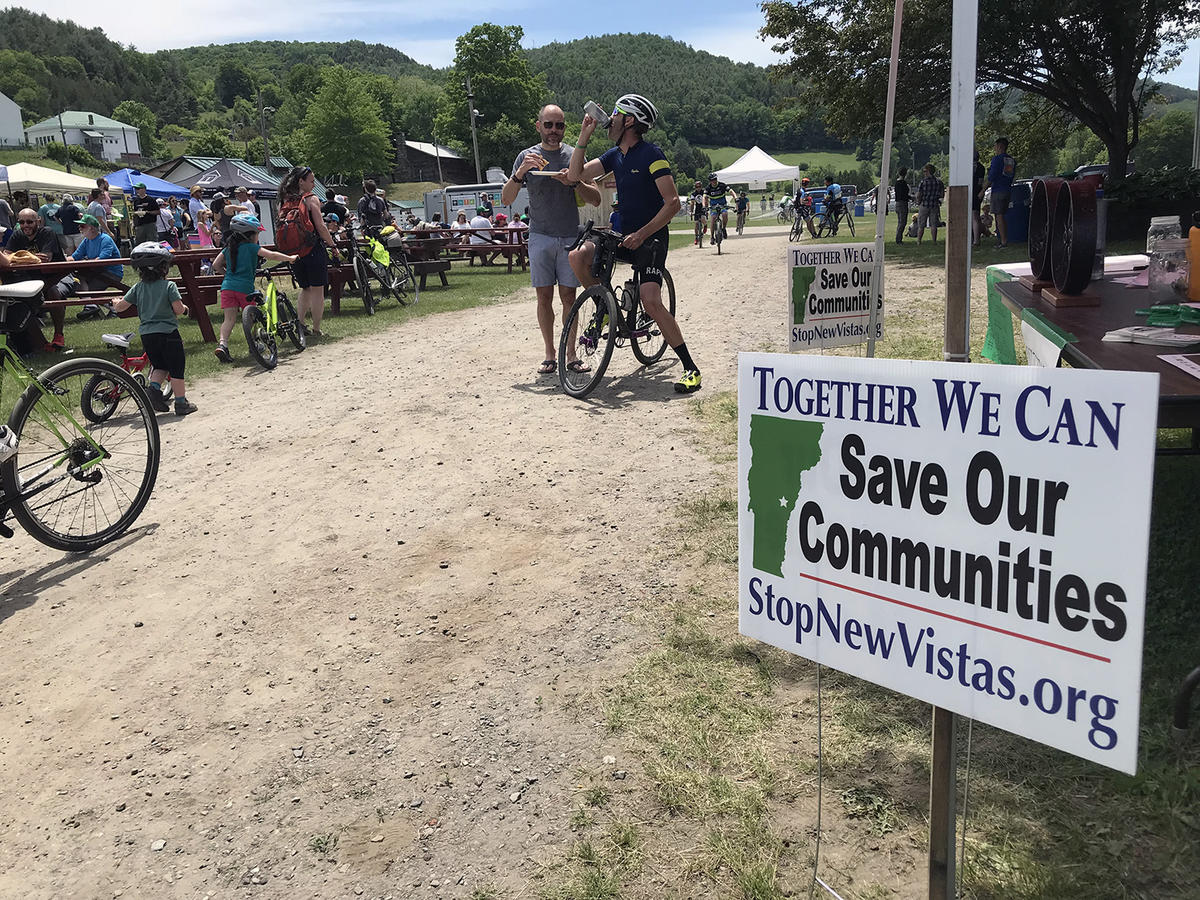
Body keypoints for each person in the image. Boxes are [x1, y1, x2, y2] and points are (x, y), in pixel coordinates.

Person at [566, 92, 700, 394]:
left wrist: (642, 233)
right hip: (621, 235)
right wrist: (584, 136)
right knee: (578, 256)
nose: (609, 119)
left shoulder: (652, 154)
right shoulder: (615, 156)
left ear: (628, 120)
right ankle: (604, 305)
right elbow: (575, 175)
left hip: (650, 236)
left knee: (650, 300)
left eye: (614, 114)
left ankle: (691, 368)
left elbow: (673, 203)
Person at [502, 102, 603, 374]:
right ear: (539, 126)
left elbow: (595, 198)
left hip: (570, 236)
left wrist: (574, 182)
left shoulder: (574, 155)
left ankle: (570, 355)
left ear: (564, 128)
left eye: (559, 125)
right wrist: (520, 173)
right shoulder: (526, 157)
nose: (554, 130)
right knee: (543, 297)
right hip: (539, 236)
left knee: (569, 297)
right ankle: (549, 353)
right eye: (548, 125)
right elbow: (506, 198)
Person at [112, 242, 197, 416]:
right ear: (164, 268)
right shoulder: (169, 286)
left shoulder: (138, 288)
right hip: (168, 334)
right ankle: (181, 403)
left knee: (159, 365)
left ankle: (154, 390)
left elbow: (121, 307)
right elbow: (178, 309)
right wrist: (186, 309)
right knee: (176, 368)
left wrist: (115, 303)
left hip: (147, 336)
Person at [211, 213, 298, 362]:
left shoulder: (229, 248)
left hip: (227, 286)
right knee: (251, 318)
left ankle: (223, 345)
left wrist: (228, 275)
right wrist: (290, 258)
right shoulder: (251, 247)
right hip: (244, 288)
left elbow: (215, 265)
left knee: (229, 319)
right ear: (250, 235)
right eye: (257, 233)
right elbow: (272, 255)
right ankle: (254, 344)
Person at [278, 166, 339, 336]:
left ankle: (301, 323)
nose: (313, 185)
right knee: (318, 290)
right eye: (311, 181)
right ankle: (317, 329)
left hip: (293, 252)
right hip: (312, 249)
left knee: (305, 289)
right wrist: (332, 245)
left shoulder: (285, 199)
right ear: (301, 181)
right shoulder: (311, 199)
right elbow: (320, 226)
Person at [0, 207, 69, 350]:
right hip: (31, 279)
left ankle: (58, 336)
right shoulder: (17, 235)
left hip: (58, 277)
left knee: (52, 293)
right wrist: (29, 258)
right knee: (18, 301)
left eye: (30, 222)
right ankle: (42, 344)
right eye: (22, 222)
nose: (25, 225)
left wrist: (18, 257)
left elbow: (45, 259)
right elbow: (6, 257)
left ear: (38, 221)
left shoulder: (47, 232)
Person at [71, 213, 125, 293]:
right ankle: (93, 303)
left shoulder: (105, 239)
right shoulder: (87, 240)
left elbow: (101, 260)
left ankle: (101, 303)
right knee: (77, 282)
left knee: (88, 290)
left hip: (111, 273)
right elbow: (74, 257)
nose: (79, 228)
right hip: (97, 271)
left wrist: (85, 262)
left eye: (82, 226)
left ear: (92, 228)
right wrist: (61, 260)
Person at [983, 137, 1016, 249]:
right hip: (1007, 189)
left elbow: (992, 176)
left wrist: (983, 190)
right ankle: (1003, 239)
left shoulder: (997, 159)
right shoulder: (1011, 160)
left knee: (999, 216)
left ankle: (1003, 241)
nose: (995, 149)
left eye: (996, 147)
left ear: (1000, 147)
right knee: (1002, 214)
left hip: (998, 190)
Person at [916, 164, 945, 244]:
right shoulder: (939, 182)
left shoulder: (923, 182)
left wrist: (918, 202)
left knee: (921, 224)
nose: (924, 173)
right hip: (934, 205)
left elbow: (919, 194)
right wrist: (939, 200)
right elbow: (942, 194)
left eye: (925, 171)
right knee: (933, 224)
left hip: (924, 204)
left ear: (928, 171)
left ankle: (919, 241)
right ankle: (934, 241)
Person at [705, 173, 733, 237]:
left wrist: (736, 198)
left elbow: (731, 191)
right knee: (713, 219)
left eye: (715, 179)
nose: (714, 181)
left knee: (725, 214)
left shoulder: (722, 185)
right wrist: (704, 206)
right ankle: (712, 236)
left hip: (722, 205)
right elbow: (704, 197)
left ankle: (724, 228)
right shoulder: (708, 188)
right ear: (710, 181)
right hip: (713, 206)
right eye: (712, 180)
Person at [893, 168, 911, 244]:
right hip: (903, 203)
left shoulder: (896, 183)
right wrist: (911, 198)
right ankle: (898, 239)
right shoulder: (903, 183)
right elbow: (903, 195)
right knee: (902, 222)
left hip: (897, 203)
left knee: (900, 222)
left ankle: (898, 238)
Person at [689, 180, 706, 245]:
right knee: (696, 224)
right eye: (697, 186)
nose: (698, 188)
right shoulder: (693, 194)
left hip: (703, 208)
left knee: (703, 219)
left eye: (699, 186)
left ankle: (705, 226)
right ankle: (696, 237)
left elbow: (706, 200)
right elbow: (692, 203)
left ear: (701, 186)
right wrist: (691, 211)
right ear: (695, 187)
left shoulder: (704, 192)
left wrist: (706, 209)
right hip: (697, 209)